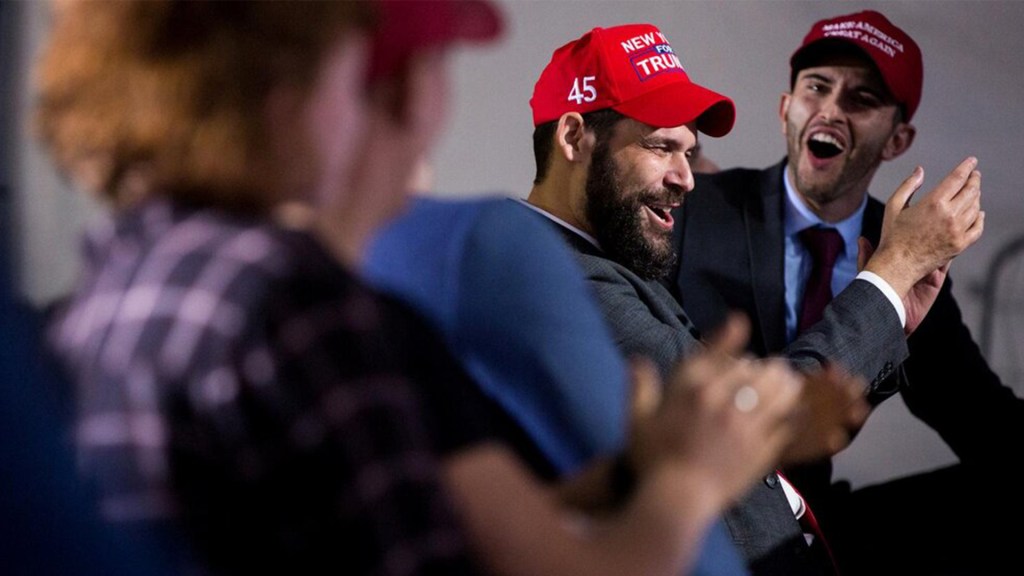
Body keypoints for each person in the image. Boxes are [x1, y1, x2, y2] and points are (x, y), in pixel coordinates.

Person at [35, 2, 809, 575]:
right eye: (415, 66)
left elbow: (367, 513)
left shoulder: (115, 272)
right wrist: (692, 480)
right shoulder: (302, 309)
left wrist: (626, 478)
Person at [523, 22, 983, 576]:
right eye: (661, 146)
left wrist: (894, 318)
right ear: (574, 139)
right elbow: (746, 413)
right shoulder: (549, 275)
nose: (687, 179)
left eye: (689, 151)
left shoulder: (607, 258)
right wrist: (893, 270)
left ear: (897, 139)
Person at [670, 9, 1022, 575]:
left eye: (861, 99)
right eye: (816, 87)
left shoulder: (909, 245)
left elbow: (984, 423)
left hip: (809, 526)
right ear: (787, 108)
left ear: (898, 139)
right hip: (693, 512)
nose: (831, 108)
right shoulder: (697, 208)